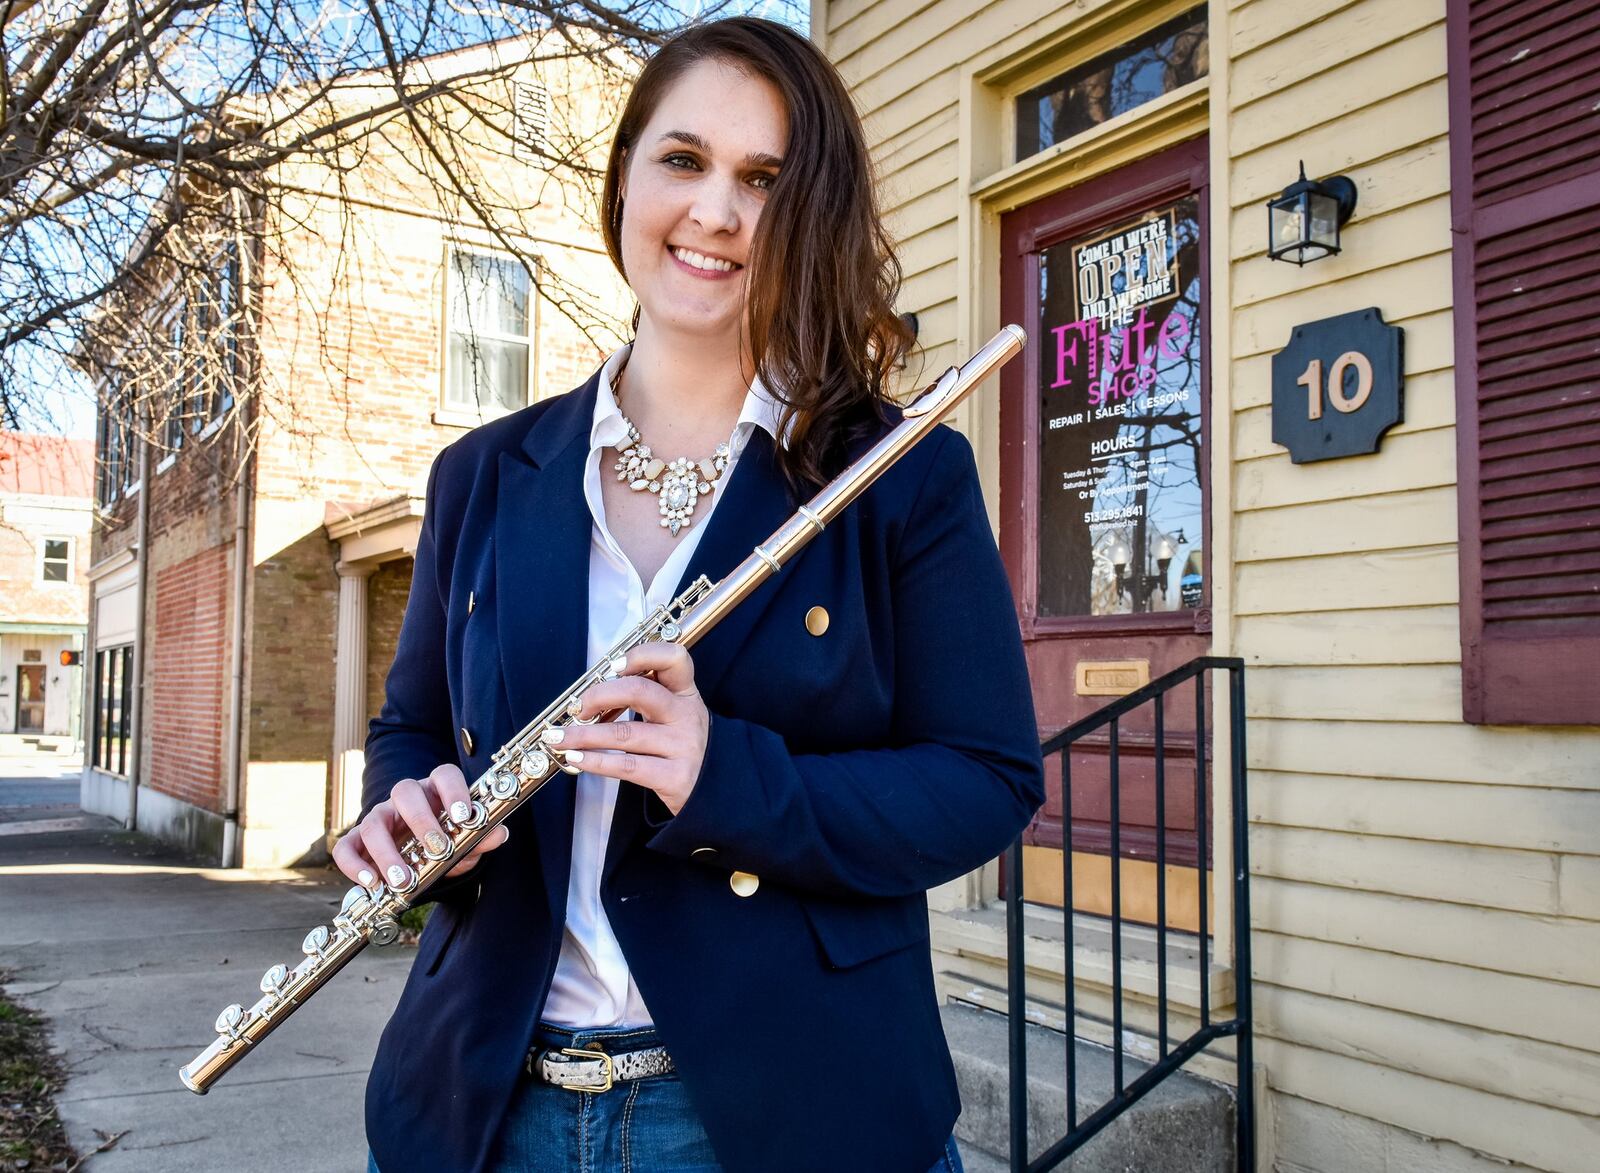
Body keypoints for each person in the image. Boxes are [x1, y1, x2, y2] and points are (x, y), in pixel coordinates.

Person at [336, 17, 1044, 1173]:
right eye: (682, 161)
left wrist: (730, 778)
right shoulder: (481, 472)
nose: (714, 211)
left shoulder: (897, 470)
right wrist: (409, 811)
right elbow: (414, 726)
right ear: (623, 177)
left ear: (807, 214)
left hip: (790, 1113)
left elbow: (988, 781)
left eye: (762, 180)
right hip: (481, 1109)